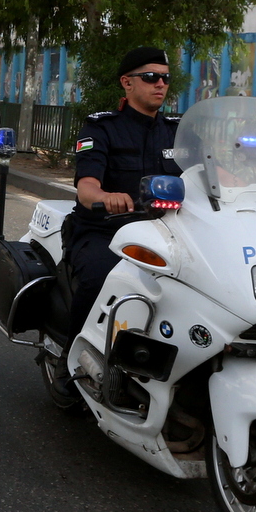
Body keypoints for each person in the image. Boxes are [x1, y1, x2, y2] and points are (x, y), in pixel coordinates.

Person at [64, 46, 183, 337]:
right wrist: (106, 198)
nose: (160, 84)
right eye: (152, 77)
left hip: (168, 234)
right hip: (106, 232)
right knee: (101, 278)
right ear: (127, 82)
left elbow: (211, 175)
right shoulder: (101, 128)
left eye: (166, 79)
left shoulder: (178, 131)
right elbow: (87, 186)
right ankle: (70, 361)